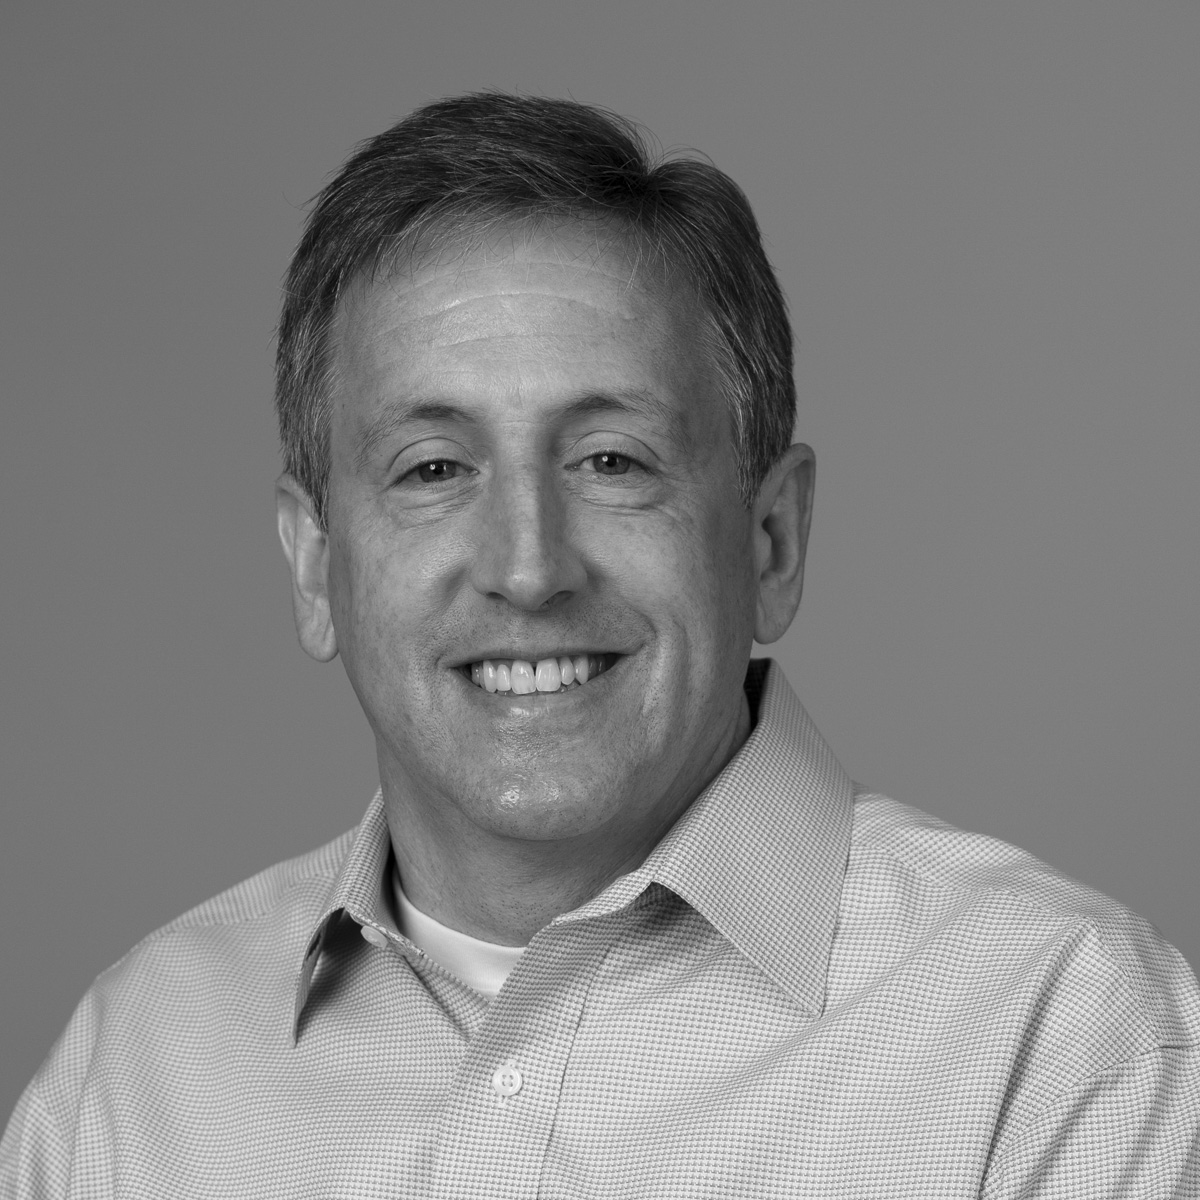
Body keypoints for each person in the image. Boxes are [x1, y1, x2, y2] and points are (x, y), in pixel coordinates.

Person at [3, 92, 1198, 1199]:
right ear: (317, 567)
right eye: (433, 469)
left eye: (612, 462)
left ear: (772, 541)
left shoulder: (1061, 1042)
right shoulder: (132, 1079)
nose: (529, 569)